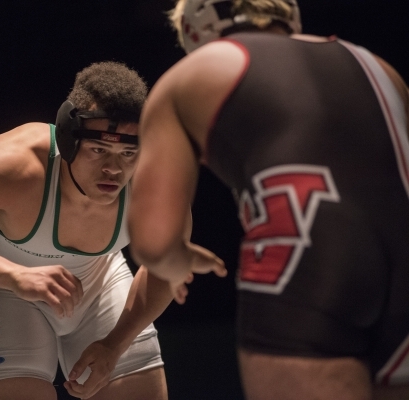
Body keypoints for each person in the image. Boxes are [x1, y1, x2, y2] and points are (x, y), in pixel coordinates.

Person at [0, 61, 216, 400]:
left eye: (128, 153)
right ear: (69, 141)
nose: (113, 169)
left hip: (99, 284)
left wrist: (114, 345)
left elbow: (163, 269)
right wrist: (14, 276)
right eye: (99, 150)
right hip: (6, 288)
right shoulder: (19, 166)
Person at [127, 0, 409, 399]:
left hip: (311, 264)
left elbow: (153, 244)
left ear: (193, 30)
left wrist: (182, 260)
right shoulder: (380, 67)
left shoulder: (191, 76)